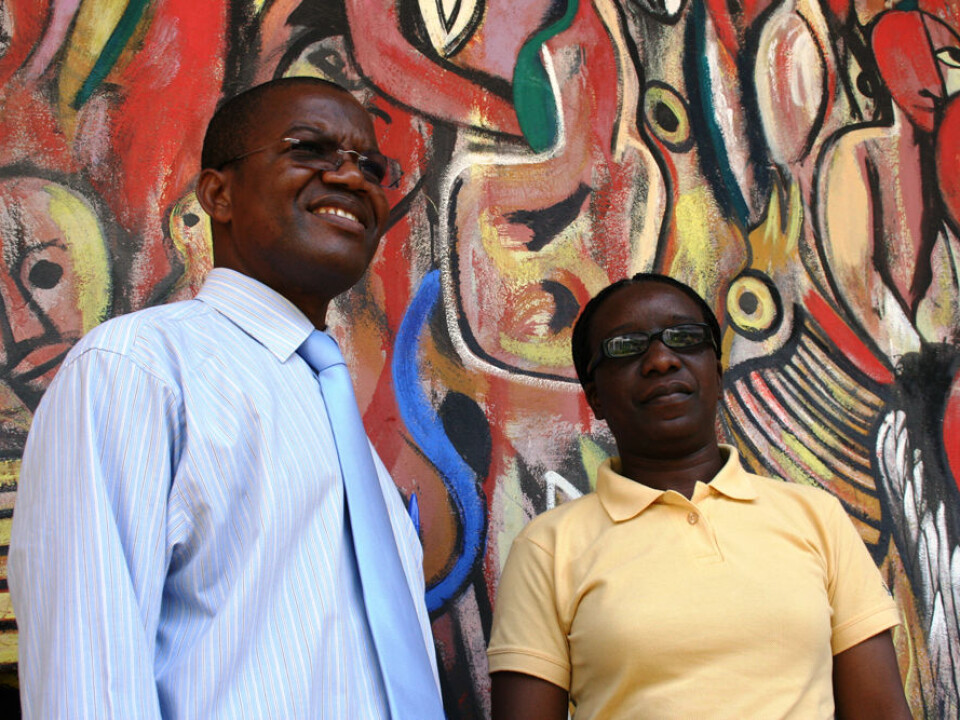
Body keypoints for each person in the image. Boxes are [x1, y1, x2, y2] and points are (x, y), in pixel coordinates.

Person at [9, 77, 444, 719]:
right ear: (218, 194)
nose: (354, 178)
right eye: (310, 150)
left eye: (371, 167)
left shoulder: (334, 421)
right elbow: (88, 682)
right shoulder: (139, 369)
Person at [487, 273, 912, 719]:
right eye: (625, 347)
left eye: (685, 337)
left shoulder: (816, 518)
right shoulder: (548, 548)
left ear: (717, 370)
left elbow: (880, 712)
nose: (661, 360)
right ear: (595, 396)